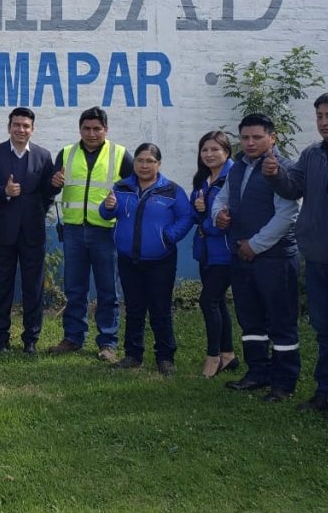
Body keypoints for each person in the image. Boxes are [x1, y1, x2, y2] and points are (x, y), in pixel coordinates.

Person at [263, 91, 328, 415]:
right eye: (319, 116)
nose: (323, 122)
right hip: (316, 256)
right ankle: (325, 391)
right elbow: (294, 188)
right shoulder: (312, 154)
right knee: (325, 330)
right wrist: (276, 174)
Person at [211, 114, 300, 403]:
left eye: (257, 137)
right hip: (242, 256)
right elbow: (222, 197)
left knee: (281, 321)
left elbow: (287, 214)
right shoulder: (237, 167)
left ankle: (284, 382)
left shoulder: (282, 168)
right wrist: (218, 214)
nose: (250, 143)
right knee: (250, 319)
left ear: (272, 138)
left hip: (274, 258)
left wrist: (256, 245)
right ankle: (258, 372)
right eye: (245, 137)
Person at [99, 143, 194, 375]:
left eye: (150, 161)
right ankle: (133, 355)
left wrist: (169, 236)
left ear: (158, 164)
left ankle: (165, 357)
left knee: (160, 309)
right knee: (133, 308)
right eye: (140, 160)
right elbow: (106, 213)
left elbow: (186, 217)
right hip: (128, 259)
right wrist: (108, 207)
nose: (144, 165)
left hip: (160, 260)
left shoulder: (171, 190)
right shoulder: (122, 187)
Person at [48, 106, 133, 361]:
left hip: (106, 231)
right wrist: (53, 184)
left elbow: (134, 190)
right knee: (75, 288)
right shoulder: (66, 153)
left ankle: (108, 342)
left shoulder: (120, 154)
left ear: (106, 129)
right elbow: (52, 189)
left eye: (97, 129)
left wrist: (119, 205)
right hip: (73, 230)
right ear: (80, 129)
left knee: (108, 289)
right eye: (87, 128)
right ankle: (73, 337)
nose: (92, 133)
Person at [0, 107, 54, 355]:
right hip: (4, 231)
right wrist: (3, 191)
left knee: (33, 287)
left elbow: (48, 193)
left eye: (26, 126)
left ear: (32, 130)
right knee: (2, 286)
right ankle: (1, 338)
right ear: (9, 127)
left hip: (33, 232)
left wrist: (37, 209)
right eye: (16, 125)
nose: (21, 129)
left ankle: (30, 339)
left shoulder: (43, 156)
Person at [191, 131, 240, 378]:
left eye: (215, 149)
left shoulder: (234, 177)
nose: (209, 154)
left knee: (208, 301)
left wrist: (205, 225)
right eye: (205, 150)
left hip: (225, 252)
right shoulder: (204, 179)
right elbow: (197, 211)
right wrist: (198, 206)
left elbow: (228, 220)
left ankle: (213, 357)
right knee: (218, 301)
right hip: (206, 251)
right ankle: (228, 354)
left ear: (227, 151)